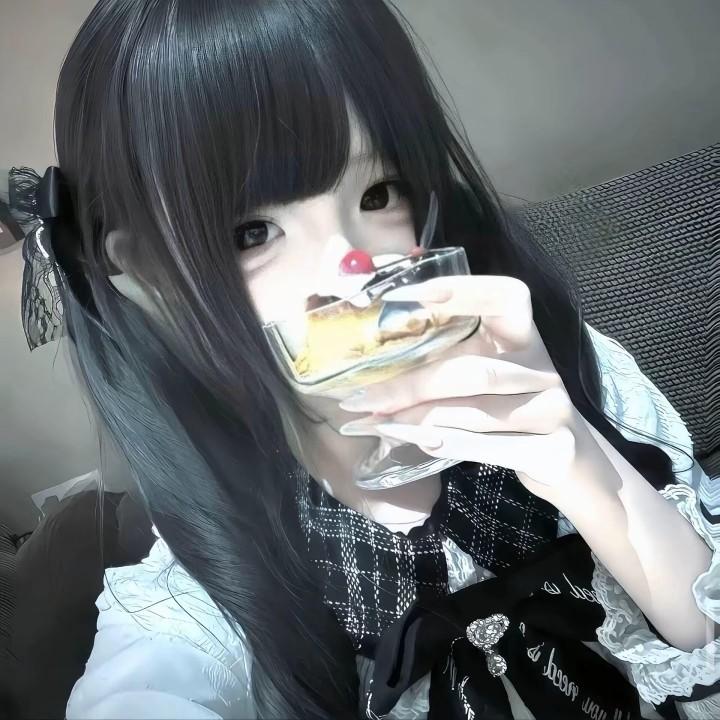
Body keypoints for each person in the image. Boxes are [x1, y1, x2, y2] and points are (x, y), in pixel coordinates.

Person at [15, 0, 718, 718]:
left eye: (379, 193)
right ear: (148, 274)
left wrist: (589, 473)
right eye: (251, 232)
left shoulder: (563, 370)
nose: (352, 271)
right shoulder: (210, 585)